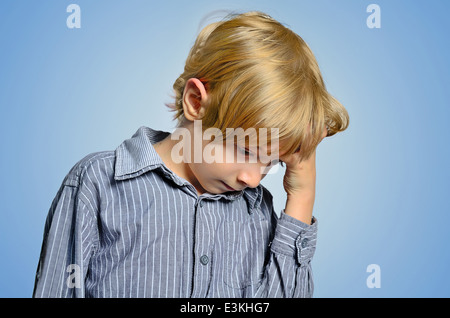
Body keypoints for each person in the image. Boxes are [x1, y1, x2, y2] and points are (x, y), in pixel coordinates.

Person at [33, 11, 349, 298]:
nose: (252, 179)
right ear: (196, 102)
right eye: (245, 150)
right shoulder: (99, 184)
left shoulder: (257, 211)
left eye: (272, 162)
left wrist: (302, 195)